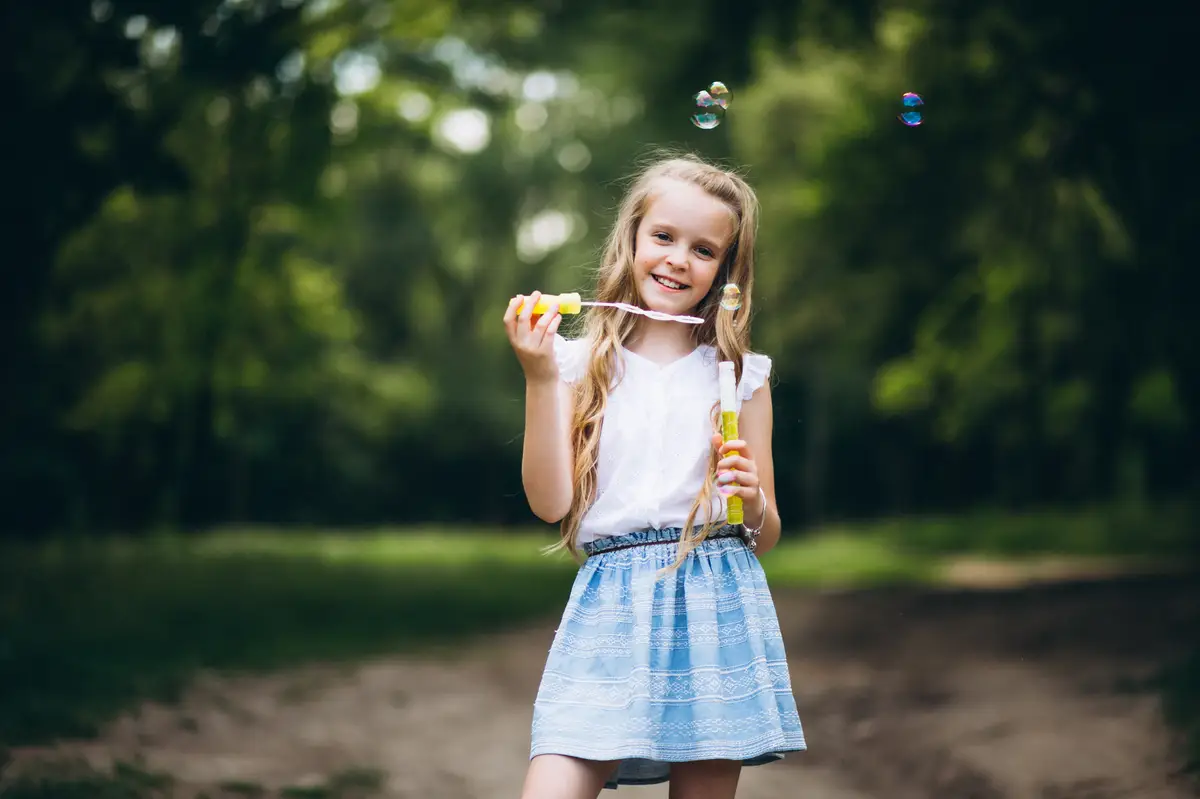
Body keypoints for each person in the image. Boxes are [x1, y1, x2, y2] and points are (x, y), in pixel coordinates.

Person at [502, 152, 806, 799]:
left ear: (726, 270)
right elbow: (551, 500)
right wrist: (537, 377)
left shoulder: (741, 376)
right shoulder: (574, 364)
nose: (677, 258)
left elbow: (767, 531)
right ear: (632, 238)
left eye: (703, 248)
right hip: (609, 601)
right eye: (663, 236)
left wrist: (750, 500)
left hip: (715, 595)